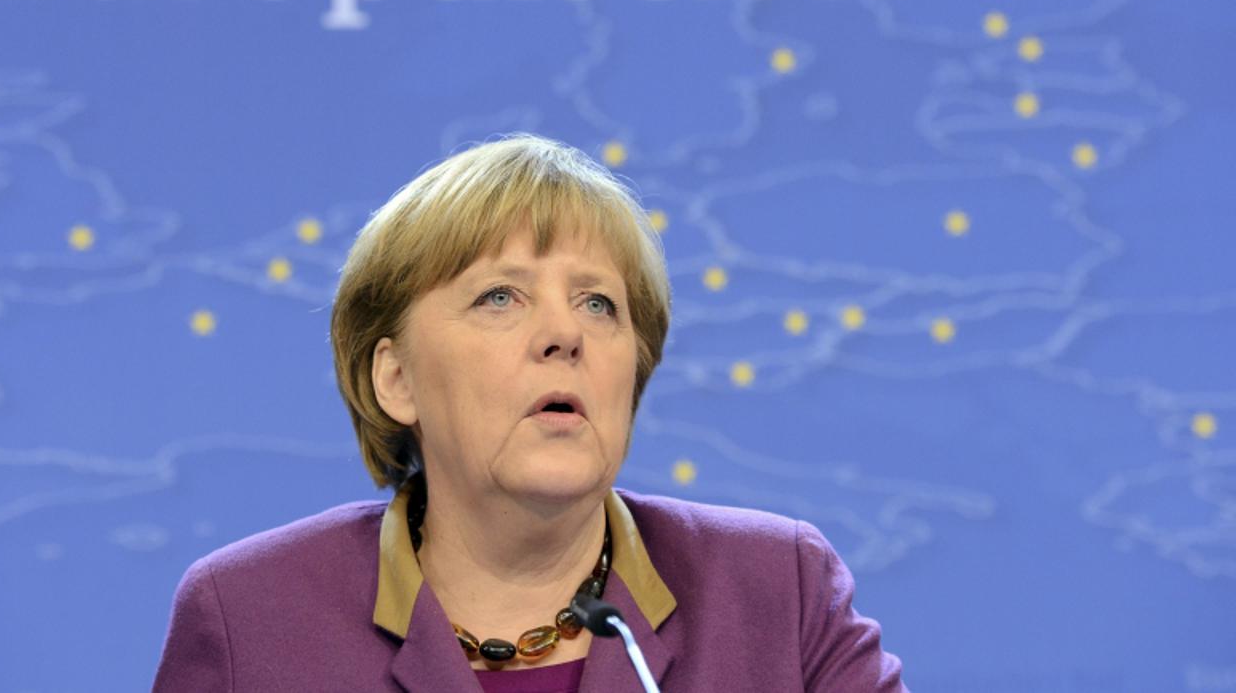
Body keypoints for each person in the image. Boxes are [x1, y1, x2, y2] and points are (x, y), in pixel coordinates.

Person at [152, 133, 908, 692]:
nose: (564, 333)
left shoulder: (778, 591)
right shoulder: (248, 619)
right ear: (396, 377)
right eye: (500, 296)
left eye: (598, 303)